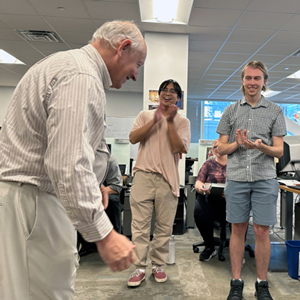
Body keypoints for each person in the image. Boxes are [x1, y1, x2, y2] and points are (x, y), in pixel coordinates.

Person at [0, 20, 147, 300]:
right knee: (44, 292)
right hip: (35, 201)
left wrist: (93, 189)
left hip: (31, 198)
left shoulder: (70, 67)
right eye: (137, 64)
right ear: (123, 48)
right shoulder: (80, 77)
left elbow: (79, 149)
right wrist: (104, 234)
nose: (136, 75)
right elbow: (67, 163)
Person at [216, 61, 287, 300]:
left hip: (264, 177)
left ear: (264, 82)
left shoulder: (275, 111)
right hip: (236, 178)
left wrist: (261, 146)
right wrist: (238, 144)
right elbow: (220, 149)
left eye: (257, 78)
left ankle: (262, 283)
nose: (253, 83)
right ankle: (236, 282)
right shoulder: (230, 111)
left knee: (262, 230)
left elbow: (279, 151)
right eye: (248, 78)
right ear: (242, 81)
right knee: (237, 229)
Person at [127, 79, 190, 287]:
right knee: (139, 227)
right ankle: (139, 268)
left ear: (178, 98)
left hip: (167, 179)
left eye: (173, 91)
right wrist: (154, 120)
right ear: (158, 94)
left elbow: (177, 148)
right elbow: (133, 138)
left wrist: (169, 121)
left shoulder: (183, 122)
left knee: (164, 227)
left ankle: (158, 265)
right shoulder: (144, 115)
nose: (167, 93)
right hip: (143, 175)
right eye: (164, 89)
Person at [77, 154, 124, 256]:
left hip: (106, 195)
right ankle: (85, 244)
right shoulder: (80, 161)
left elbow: (116, 186)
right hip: (87, 195)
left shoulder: (110, 161)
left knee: (112, 202)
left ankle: (115, 243)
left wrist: (97, 193)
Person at [194, 139, 227, 262]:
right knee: (199, 212)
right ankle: (209, 246)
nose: (217, 149)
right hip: (210, 198)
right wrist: (201, 188)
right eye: (215, 147)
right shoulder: (208, 164)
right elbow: (198, 181)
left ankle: (237, 248)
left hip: (229, 201)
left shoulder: (235, 164)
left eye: (220, 146)